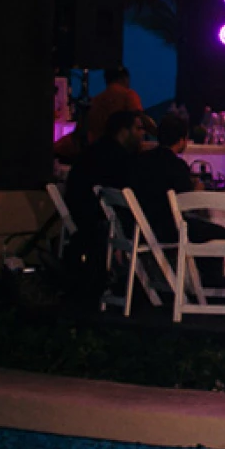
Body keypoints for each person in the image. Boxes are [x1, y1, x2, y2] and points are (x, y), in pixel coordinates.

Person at [63, 108, 145, 306]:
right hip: (100, 221)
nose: (143, 134)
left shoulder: (94, 151)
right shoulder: (119, 159)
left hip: (82, 216)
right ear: (124, 131)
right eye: (139, 128)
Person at [127, 111, 225, 255]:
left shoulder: (141, 159)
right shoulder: (176, 165)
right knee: (218, 232)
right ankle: (208, 276)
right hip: (164, 228)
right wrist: (198, 188)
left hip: (139, 226)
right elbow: (188, 202)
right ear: (181, 140)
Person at [86, 66, 143, 143]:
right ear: (124, 78)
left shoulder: (95, 101)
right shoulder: (129, 95)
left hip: (98, 149)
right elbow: (139, 119)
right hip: (123, 150)